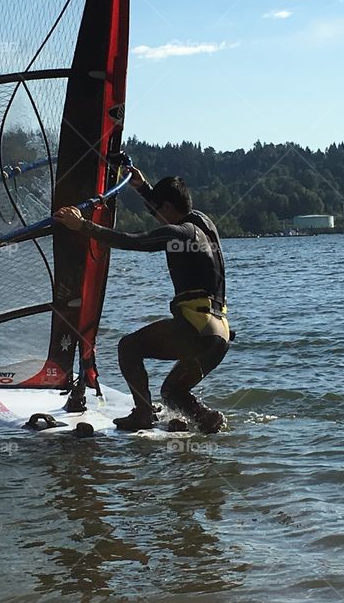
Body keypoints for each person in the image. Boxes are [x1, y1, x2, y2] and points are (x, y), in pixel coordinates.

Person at [53, 169, 230, 433]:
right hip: (219, 335)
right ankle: (206, 419)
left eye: (157, 209)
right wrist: (142, 187)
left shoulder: (179, 234)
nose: (155, 217)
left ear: (168, 206)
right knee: (172, 392)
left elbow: (133, 241)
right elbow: (164, 211)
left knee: (129, 347)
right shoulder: (204, 224)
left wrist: (84, 226)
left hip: (195, 329)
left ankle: (143, 414)